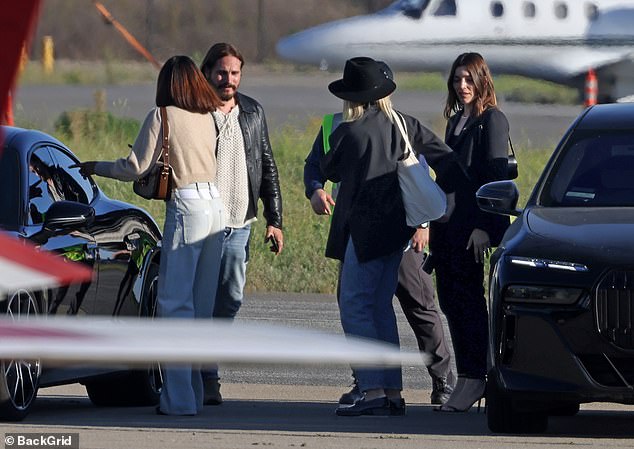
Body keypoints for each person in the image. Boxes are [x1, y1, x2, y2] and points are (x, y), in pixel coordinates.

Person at [73, 55, 224, 416]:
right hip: (215, 205)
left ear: (168, 84)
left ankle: (179, 401)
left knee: (174, 305)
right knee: (201, 308)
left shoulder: (163, 115)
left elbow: (135, 167)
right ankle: (196, 394)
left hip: (186, 206)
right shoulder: (209, 117)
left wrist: (95, 167)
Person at [303, 62, 455, 406]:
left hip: (365, 232)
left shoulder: (348, 131)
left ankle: (371, 389)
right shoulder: (403, 124)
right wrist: (441, 209)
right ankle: (392, 392)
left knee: (356, 307)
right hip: (397, 233)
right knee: (382, 309)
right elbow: (448, 161)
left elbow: (328, 167)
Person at [199, 42, 284, 405]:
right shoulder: (195, 111)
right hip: (202, 224)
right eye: (221, 72)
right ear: (207, 73)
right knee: (200, 299)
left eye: (234, 73)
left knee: (230, 298)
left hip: (241, 222)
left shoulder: (252, 111)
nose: (227, 80)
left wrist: (274, 219)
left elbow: (267, 165)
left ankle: (206, 362)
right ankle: (204, 375)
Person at [432, 52, 511, 412]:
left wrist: (486, 226)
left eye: (468, 79)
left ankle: (477, 376)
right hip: (448, 227)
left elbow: (497, 177)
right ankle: (465, 376)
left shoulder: (492, 121)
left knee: (469, 303)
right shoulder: (455, 122)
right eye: (457, 79)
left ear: (481, 81)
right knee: (450, 301)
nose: (462, 86)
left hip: (472, 228)